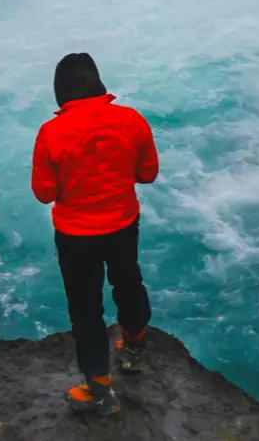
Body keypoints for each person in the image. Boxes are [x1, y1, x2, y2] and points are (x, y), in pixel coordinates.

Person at [30, 52, 160, 416]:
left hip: (76, 235)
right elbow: (147, 174)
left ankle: (100, 389)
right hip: (122, 223)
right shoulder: (131, 120)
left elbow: (44, 193)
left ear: (61, 93)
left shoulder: (51, 132)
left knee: (86, 309)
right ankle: (134, 345)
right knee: (128, 281)